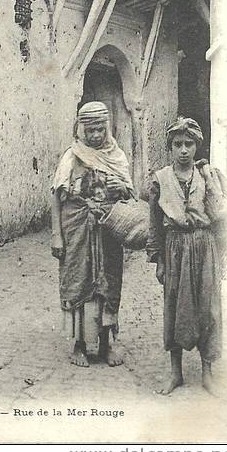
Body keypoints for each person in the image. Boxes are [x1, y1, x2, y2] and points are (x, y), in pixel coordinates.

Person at [147, 117, 227, 396]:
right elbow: (155, 223)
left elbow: (220, 220)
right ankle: (176, 373)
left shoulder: (207, 175)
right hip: (175, 248)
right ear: (170, 147)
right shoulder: (160, 179)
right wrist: (158, 259)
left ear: (197, 146)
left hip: (204, 247)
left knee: (208, 307)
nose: (183, 150)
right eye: (177, 144)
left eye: (189, 144)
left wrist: (221, 257)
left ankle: (207, 373)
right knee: (175, 306)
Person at [51, 101, 134, 367]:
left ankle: (106, 344)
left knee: (108, 284)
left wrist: (119, 185)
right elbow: (57, 197)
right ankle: (79, 345)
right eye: (91, 130)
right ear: (81, 129)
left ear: (107, 128)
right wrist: (57, 236)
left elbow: (129, 194)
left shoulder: (117, 156)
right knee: (80, 282)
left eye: (101, 129)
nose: (96, 135)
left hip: (108, 229)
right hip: (77, 229)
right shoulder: (72, 156)